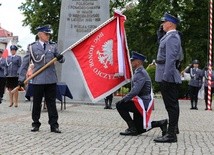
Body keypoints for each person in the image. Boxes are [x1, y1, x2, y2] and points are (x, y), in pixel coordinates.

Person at [18, 25, 64, 133]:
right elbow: (25, 64)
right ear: (40, 34)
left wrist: (61, 58)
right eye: (46, 34)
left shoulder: (53, 46)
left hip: (51, 79)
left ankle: (54, 125)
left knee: (51, 103)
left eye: (49, 34)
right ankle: (35, 124)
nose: (48, 36)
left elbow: (61, 59)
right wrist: (21, 78)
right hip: (38, 79)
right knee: (36, 102)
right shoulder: (32, 47)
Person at [116, 51, 168, 136]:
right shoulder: (139, 72)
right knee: (140, 129)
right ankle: (161, 123)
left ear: (138, 62)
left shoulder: (140, 73)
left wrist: (124, 99)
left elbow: (135, 91)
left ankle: (131, 128)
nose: (131, 62)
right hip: (140, 101)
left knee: (120, 105)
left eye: (133, 60)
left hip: (142, 103)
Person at [154, 13, 183, 143]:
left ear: (170, 24)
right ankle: (173, 129)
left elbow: (170, 59)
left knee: (171, 106)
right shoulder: (168, 37)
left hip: (168, 77)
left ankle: (171, 134)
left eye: (164, 22)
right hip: (166, 75)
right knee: (171, 105)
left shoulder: (172, 37)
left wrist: (165, 77)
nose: (162, 24)